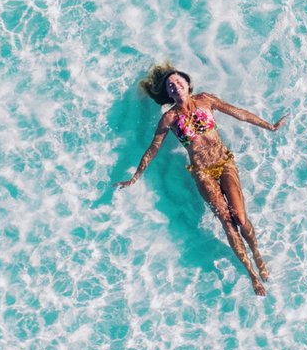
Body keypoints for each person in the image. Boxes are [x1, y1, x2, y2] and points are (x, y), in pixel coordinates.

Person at [112, 62, 289, 296]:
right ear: (169, 93)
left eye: (178, 81)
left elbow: (239, 113)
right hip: (202, 173)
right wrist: (135, 177)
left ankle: (257, 254)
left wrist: (270, 126)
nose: (175, 85)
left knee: (240, 217)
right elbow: (153, 148)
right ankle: (252, 275)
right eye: (170, 85)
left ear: (187, 84)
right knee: (228, 223)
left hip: (225, 163)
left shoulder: (206, 100)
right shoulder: (169, 118)